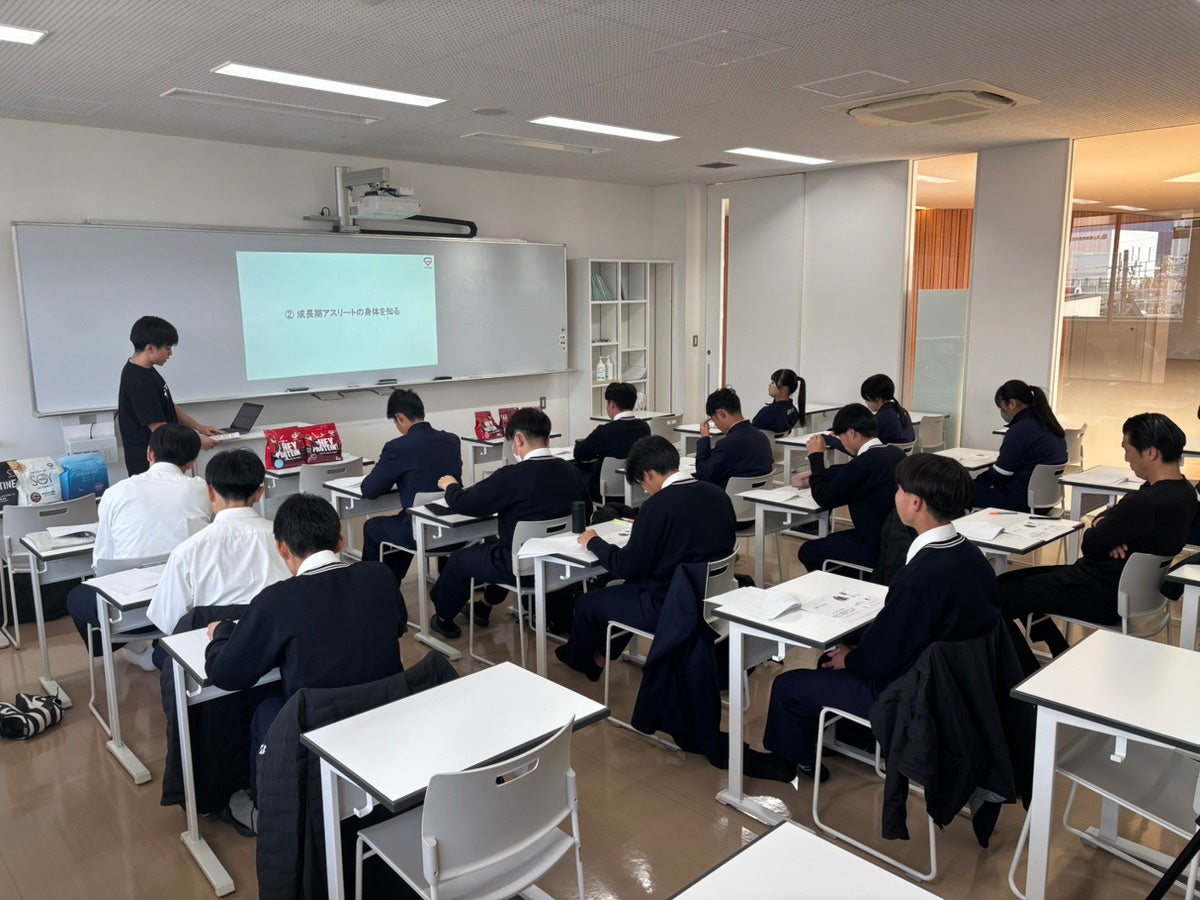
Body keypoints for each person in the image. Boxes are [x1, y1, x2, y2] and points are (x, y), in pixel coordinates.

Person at [744, 453, 1000, 783]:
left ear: (915, 503)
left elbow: (879, 661)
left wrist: (851, 657)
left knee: (789, 684)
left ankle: (789, 762)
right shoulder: (971, 555)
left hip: (910, 692)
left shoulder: (919, 575)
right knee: (831, 658)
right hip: (958, 684)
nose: (896, 495)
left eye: (900, 489)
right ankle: (854, 733)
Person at [204, 493, 406, 806]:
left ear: (281, 548)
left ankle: (264, 809)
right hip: (389, 710)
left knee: (265, 711)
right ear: (340, 541)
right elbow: (398, 626)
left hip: (318, 727)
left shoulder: (276, 600)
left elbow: (226, 675)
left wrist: (221, 634)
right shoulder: (379, 575)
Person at [999, 412, 1197, 672]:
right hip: (1132, 592)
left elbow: (1091, 545)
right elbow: (1110, 523)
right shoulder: (1185, 493)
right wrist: (1109, 527)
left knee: (996, 596)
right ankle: (1057, 648)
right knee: (1010, 582)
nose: (1126, 458)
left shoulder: (1144, 502)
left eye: (1128, 450)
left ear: (1150, 452)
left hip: (1098, 593)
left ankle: (1027, 673)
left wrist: (1105, 528)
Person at [556, 435, 737, 681]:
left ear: (649, 474)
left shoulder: (657, 506)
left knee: (588, 603)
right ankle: (599, 659)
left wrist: (594, 542)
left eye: (642, 483)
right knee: (625, 591)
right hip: (714, 598)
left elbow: (626, 566)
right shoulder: (718, 494)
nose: (644, 489)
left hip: (670, 606)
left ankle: (577, 660)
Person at [429, 408, 590, 639]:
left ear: (518, 439)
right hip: (561, 564)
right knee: (500, 548)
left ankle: (443, 618)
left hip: (520, 565)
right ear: (547, 439)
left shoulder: (511, 476)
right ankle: (484, 606)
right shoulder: (571, 470)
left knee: (459, 560)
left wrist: (450, 486)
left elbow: (465, 503)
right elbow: (586, 511)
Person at [65, 423, 212, 671]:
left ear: (149, 453)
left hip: (128, 612)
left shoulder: (117, 492)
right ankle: (156, 645)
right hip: (190, 602)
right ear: (191, 462)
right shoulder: (202, 489)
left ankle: (132, 645)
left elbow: (102, 560)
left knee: (76, 596)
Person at [147, 449, 290, 633]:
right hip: (281, 641)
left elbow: (168, 621)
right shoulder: (288, 540)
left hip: (210, 647)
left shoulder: (187, 552)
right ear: (259, 493)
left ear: (210, 492)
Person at [360, 388, 462, 583]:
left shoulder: (397, 447)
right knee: (402, 520)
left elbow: (370, 490)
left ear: (399, 417)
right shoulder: (451, 440)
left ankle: (378, 587)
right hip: (454, 528)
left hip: (420, 532)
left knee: (373, 527)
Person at [794, 403, 906, 573]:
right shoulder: (895, 453)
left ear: (852, 432)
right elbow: (849, 472)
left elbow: (824, 498)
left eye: (841, 437)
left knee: (808, 551)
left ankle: (852, 582)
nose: (841, 442)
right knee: (832, 541)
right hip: (897, 539)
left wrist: (816, 457)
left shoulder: (862, 464)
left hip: (875, 545)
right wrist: (817, 475)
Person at [117, 315, 222, 475]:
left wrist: (199, 427)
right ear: (150, 348)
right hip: (150, 464)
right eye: (167, 348)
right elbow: (161, 430)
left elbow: (166, 403)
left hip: (163, 456)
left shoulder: (145, 369)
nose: (170, 353)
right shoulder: (139, 381)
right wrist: (197, 442)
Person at [971, 379, 1067, 511]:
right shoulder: (1050, 425)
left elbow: (1001, 473)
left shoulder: (1020, 430)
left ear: (1012, 404)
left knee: (960, 494)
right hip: (1046, 502)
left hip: (1022, 502)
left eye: (1001, 407)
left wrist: (973, 483)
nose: (1002, 412)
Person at [573, 382, 650, 501]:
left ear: (612, 404)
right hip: (636, 490)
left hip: (605, 493)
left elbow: (579, 453)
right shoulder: (644, 428)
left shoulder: (604, 431)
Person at [695, 388, 775, 490]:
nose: (716, 425)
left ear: (721, 414)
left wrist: (704, 438)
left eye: (714, 421)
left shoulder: (726, 444)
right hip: (758, 496)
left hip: (728, 497)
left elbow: (703, 475)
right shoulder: (762, 437)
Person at [751, 369, 805, 435]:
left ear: (784, 389)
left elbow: (751, 431)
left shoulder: (767, 413)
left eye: (773, 383)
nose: (769, 385)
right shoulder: (793, 410)